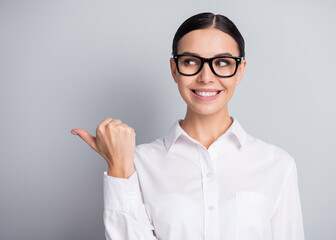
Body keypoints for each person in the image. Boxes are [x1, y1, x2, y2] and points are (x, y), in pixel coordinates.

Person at [71, 12, 305, 240]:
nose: (206, 77)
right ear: (174, 70)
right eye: (191, 61)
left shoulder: (277, 166)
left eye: (222, 62)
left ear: (240, 71)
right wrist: (119, 171)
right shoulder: (137, 164)